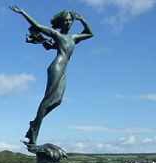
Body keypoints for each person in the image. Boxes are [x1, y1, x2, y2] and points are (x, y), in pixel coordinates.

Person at [10, 6, 94, 145]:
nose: (68, 23)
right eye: (66, 20)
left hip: (63, 69)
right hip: (56, 67)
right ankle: (35, 131)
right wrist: (23, 12)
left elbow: (90, 33)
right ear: (61, 22)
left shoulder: (73, 37)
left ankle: (35, 123)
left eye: (70, 20)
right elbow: (36, 25)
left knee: (58, 101)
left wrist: (82, 19)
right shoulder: (57, 35)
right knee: (48, 99)